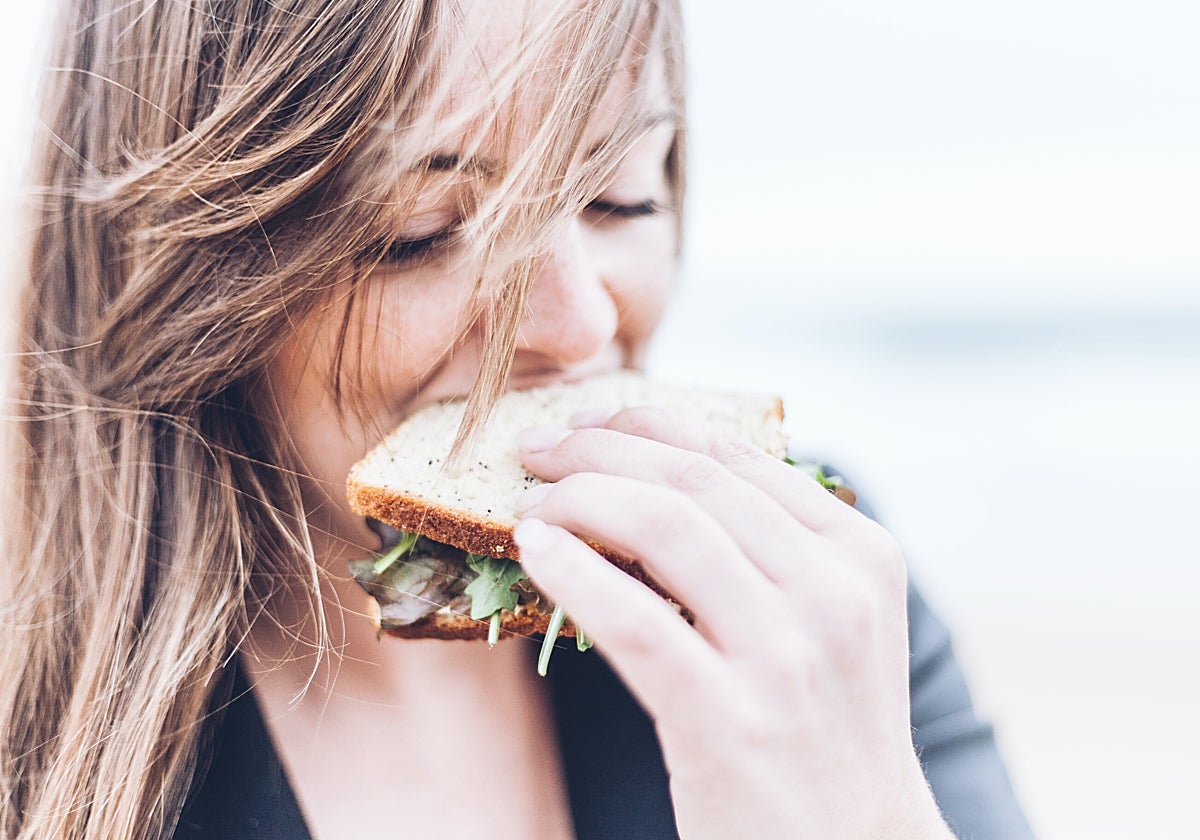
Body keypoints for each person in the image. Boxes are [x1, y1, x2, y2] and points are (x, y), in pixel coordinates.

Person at [0, 1, 1034, 838]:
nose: (583, 325)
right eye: (423, 232)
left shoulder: (813, 603)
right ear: (184, 276)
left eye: (622, 198)